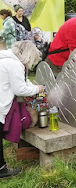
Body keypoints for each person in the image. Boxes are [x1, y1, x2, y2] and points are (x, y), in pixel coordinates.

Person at [0, 41, 45, 178]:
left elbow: (22, 81)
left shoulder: (5, 58)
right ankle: (2, 170)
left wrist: (33, 86)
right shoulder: (15, 65)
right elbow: (20, 89)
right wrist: (38, 89)